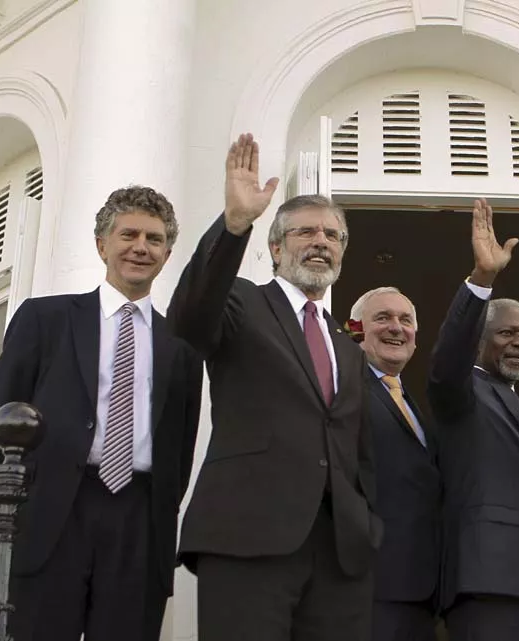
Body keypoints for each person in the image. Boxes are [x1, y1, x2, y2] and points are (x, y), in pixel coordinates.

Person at [168, 134, 381, 641]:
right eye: (306, 232)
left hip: (339, 554)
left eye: (332, 235)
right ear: (276, 246)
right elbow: (189, 320)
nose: (320, 242)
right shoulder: (241, 302)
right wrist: (234, 225)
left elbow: (358, 449)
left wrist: (368, 522)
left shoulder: (347, 347)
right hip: (249, 537)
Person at [0, 186, 203, 641]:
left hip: (139, 518)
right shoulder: (45, 319)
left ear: (167, 253)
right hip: (50, 512)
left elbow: (180, 446)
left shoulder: (181, 344)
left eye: (154, 239)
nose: (141, 247)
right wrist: (10, 512)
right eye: (129, 235)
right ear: (102, 245)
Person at [427, 199, 519, 641]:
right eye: (508, 332)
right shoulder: (463, 391)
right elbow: (446, 361)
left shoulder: (515, 405)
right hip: (488, 588)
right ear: (480, 340)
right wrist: (481, 280)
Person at [349, 287, 441, 641]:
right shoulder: (344, 388)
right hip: (369, 586)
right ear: (356, 329)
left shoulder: (414, 406)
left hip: (419, 593)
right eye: (383, 318)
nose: (396, 328)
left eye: (406, 320)